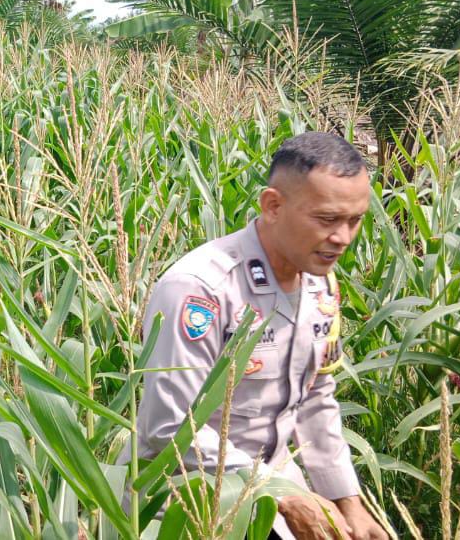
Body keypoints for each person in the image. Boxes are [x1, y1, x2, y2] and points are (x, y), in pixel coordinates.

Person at [134, 132, 389, 540]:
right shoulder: (201, 290)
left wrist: (348, 502)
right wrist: (280, 493)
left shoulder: (319, 284)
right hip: (189, 502)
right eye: (326, 219)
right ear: (273, 205)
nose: (343, 238)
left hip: (279, 492)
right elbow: (169, 428)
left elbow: (316, 397)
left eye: (354, 220)